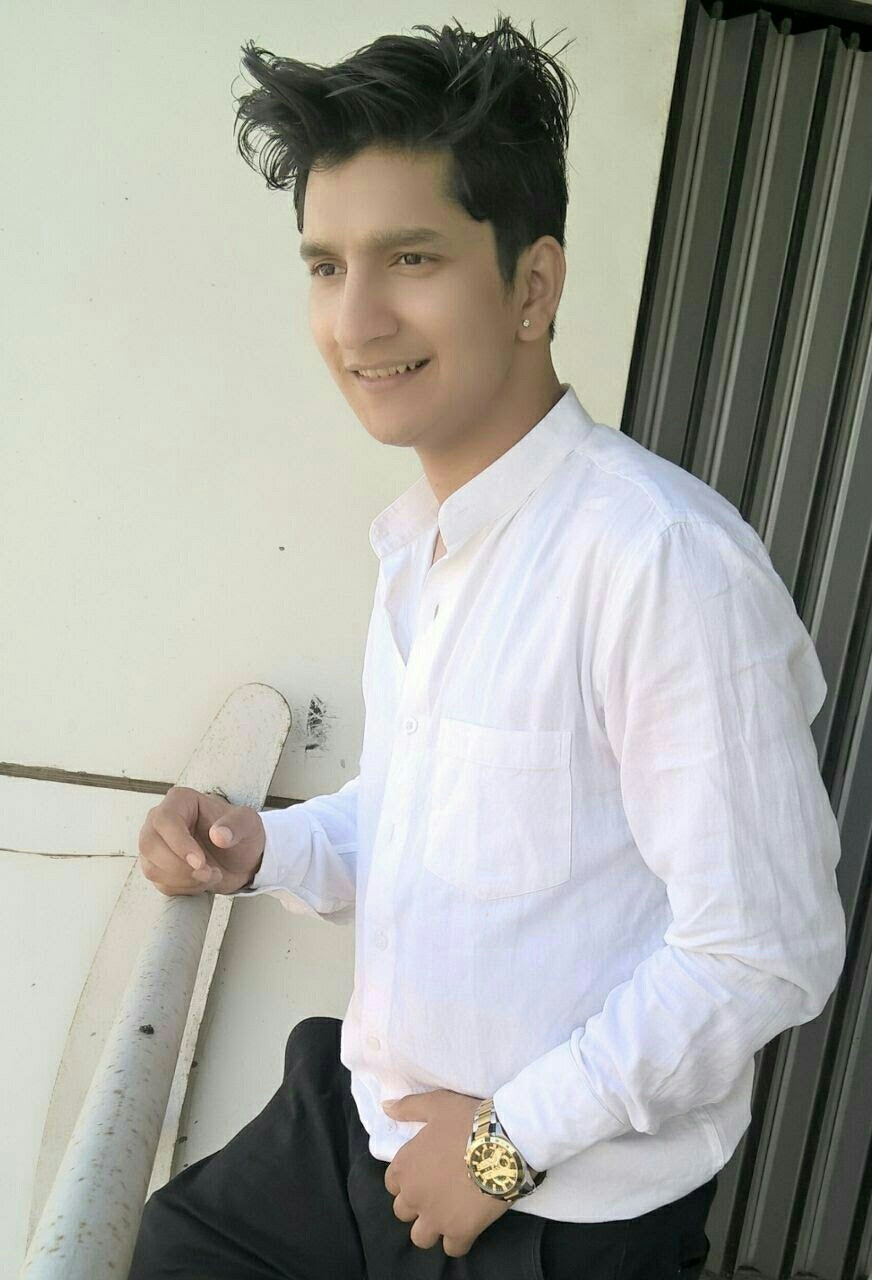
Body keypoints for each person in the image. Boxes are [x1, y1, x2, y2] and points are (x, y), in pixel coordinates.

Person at [128, 14, 847, 1280]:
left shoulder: (658, 562)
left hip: (552, 1202)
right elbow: (428, 817)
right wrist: (261, 846)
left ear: (530, 286)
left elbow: (765, 943)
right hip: (366, 1121)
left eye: (409, 257)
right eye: (324, 265)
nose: (355, 319)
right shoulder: (425, 543)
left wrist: (506, 1144)